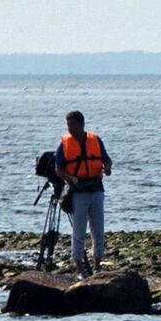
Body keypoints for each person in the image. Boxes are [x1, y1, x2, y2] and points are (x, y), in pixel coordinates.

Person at [54, 111, 113, 277]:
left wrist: (107, 168)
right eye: (68, 125)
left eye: (73, 124)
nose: (70, 128)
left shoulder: (95, 140)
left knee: (98, 230)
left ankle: (97, 267)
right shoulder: (65, 145)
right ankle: (79, 268)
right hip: (78, 192)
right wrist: (70, 178)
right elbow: (58, 169)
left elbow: (106, 159)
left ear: (81, 124)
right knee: (79, 231)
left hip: (96, 189)